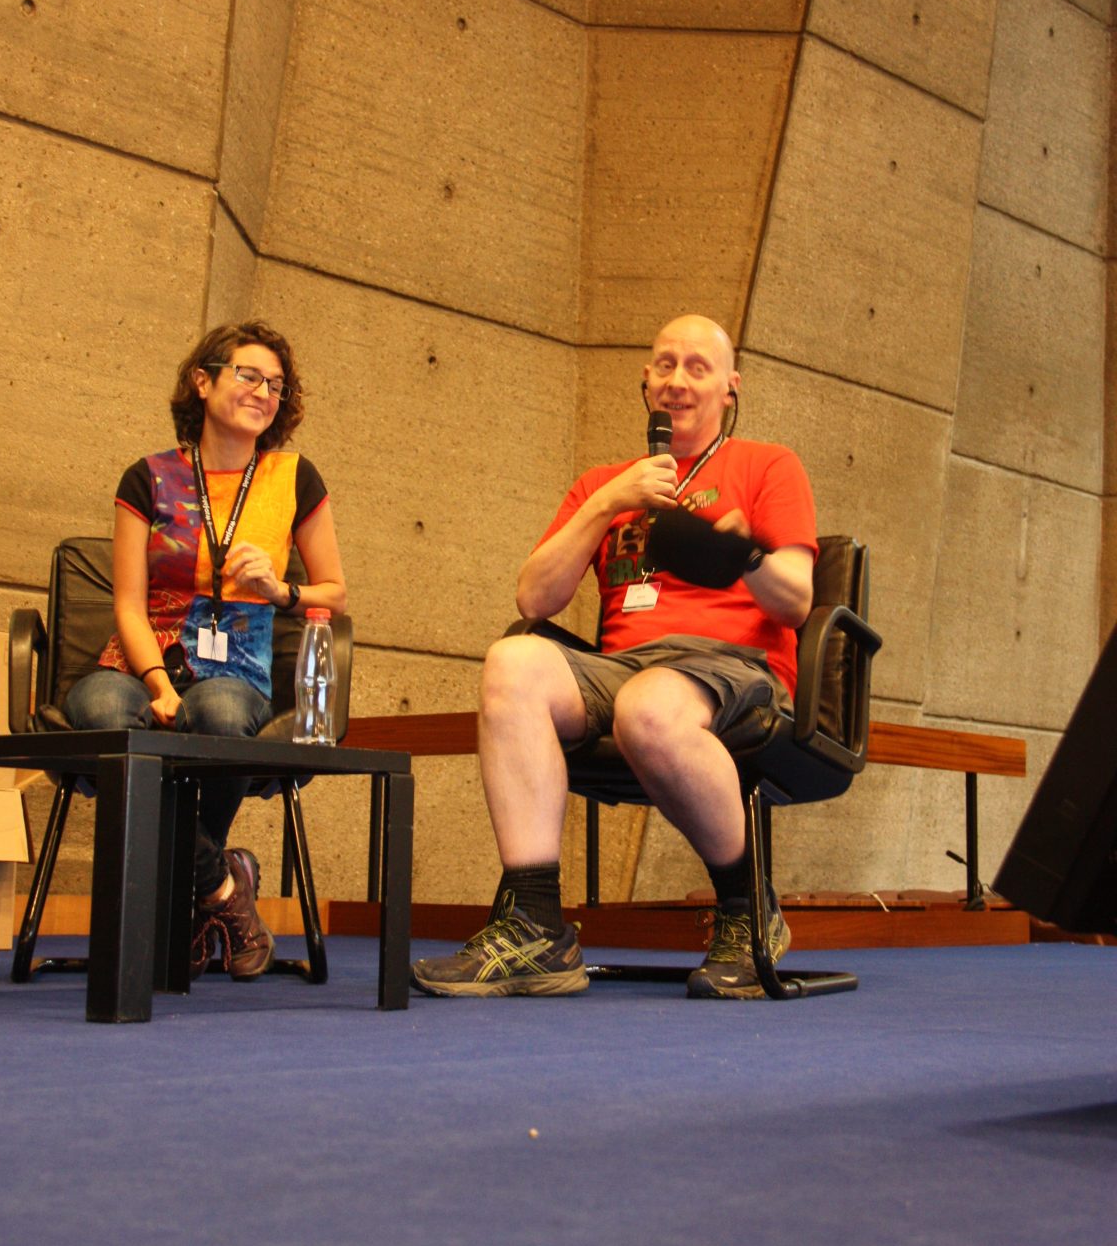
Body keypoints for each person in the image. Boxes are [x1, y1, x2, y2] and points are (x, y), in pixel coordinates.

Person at [413, 313, 816, 1001]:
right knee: (513, 660)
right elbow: (535, 597)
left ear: (730, 387)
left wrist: (741, 557)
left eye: (698, 367)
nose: (678, 380)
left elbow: (797, 601)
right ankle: (535, 926)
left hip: (732, 666)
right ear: (646, 380)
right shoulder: (605, 483)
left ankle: (748, 910)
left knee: (646, 705)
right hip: (624, 667)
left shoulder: (767, 465)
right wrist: (607, 502)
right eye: (666, 365)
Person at [65, 321, 346, 979]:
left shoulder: (293, 477)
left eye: (276, 385)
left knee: (219, 718)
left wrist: (278, 589)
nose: (264, 393)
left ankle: (185, 896)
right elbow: (128, 605)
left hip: (235, 666)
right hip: (140, 659)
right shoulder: (148, 477)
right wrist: (158, 685)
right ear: (203, 380)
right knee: (103, 714)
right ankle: (220, 886)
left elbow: (333, 589)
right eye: (249, 375)